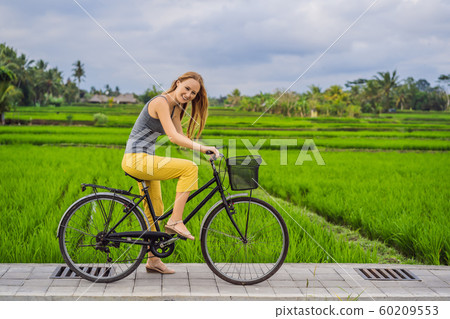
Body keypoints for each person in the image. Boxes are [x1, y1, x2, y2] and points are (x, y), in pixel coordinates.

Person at [122, 71, 220, 274]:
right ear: (178, 83)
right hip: (136, 160)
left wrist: (204, 149)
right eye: (187, 89)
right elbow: (173, 138)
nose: (189, 95)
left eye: (194, 93)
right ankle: (176, 221)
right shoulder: (160, 102)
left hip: (145, 162)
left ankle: (153, 260)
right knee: (189, 168)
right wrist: (202, 149)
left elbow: (181, 137)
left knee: (154, 213)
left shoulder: (175, 108)